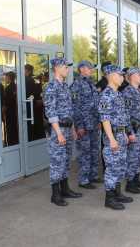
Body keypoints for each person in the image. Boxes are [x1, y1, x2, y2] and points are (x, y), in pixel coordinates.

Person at [43, 58, 82, 207]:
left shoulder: (65, 86)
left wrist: (72, 129)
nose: (68, 69)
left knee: (65, 160)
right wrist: (58, 133)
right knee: (57, 161)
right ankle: (55, 194)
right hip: (57, 130)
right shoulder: (51, 86)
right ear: (57, 68)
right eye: (66, 67)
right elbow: (51, 111)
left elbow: (69, 110)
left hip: (67, 128)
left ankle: (65, 189)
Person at [98, 64, 134, 210]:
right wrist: (112, 138)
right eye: (120, 75)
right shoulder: (106, 94)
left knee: (120, 165)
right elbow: (105, 118)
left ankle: (118, 193)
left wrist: (124, 133)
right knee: (112, 167)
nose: (122, 78)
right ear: (112, 76)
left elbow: (122, 116)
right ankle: (109, 198)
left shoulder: (118, 93)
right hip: (112, 135)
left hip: (120, 133)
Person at [70, 61, 102, 190]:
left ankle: (93, 175)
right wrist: (79, 126)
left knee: (95, 151)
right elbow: (75, 107)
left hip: (94, 124)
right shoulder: (76, 85)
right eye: (90, 68)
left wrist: (99, 120)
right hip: (84, 125)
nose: (91, 70)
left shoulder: (91, 83)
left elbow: (95, 104)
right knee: (85, 152)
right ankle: (83, 180)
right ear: (82, 69)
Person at [122, 67, 140, 194]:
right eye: (139, 74)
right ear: (132, 76)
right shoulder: (128, 92)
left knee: (139, 156)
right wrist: (129, 132)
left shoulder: (137, 91)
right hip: (134, 129)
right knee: (132, 157)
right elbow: (126, 114)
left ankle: (136, 178)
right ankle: (130, 183)